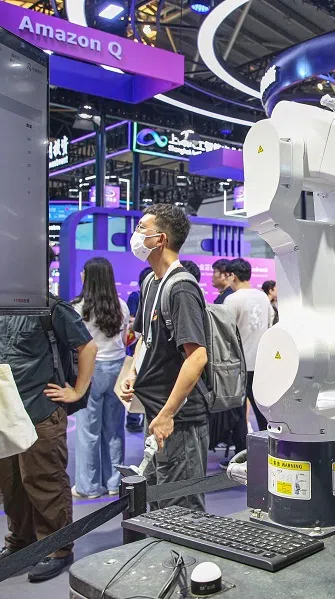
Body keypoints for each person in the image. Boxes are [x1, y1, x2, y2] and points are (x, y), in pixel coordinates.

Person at [0, 247, 97, 582]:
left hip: (40, 411)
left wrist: (77, 390)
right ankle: (21, 543)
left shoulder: (51, 307)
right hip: (6, 414)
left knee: (43, 480)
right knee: (11, 484)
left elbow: (87, 346)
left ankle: (57, 547)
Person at [121, 203, 210, 511]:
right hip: (157, 412)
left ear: (160, 239)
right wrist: (134, 375)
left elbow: (197, 357)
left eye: (141, 229)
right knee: (160, 501)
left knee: (181, 505)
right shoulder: (151, 282)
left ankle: (188, 559)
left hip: (179, 417)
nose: (135, 235)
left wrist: (169, 414)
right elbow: (145, 340)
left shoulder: (181, 287)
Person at [71, 257, 130, 500]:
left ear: (88, 276)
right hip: (117, 371)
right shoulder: (121, 306)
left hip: (90, 371)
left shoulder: (77, 307)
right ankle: (115, 482)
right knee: (115, 428)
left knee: (88, 430)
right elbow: (126, 338)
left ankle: (88, 486)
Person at [224, 258, 274, 439]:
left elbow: (226, 333)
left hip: (239, 365)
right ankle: (267, 447)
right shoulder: (263, 297)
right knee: (263, 412)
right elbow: (270, 324)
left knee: (238, 414)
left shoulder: (231, 299)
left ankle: (243, 453)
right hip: (261, 364)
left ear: (233, 276)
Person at [125, 266, 154, 433]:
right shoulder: (136, 297)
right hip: (138, 348)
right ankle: (133, 419)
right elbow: (132, 321)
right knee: (134, 385)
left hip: (148, 350)